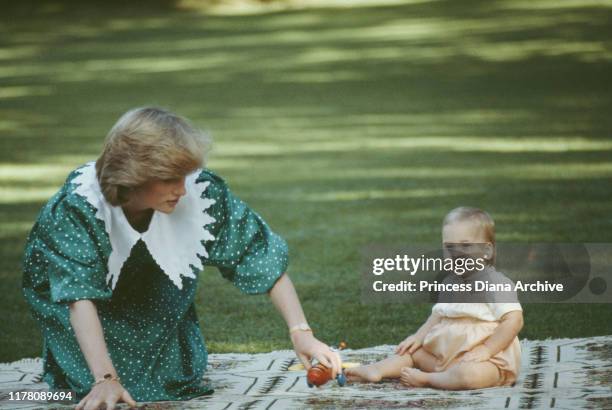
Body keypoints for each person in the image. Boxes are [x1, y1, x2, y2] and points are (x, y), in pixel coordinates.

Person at [22, 107, 342, 410]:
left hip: (154, 291)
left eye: (184, 176)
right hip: (74, 304)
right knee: (101, 388)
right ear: (133, 177)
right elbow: (78, 295)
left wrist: (302, 334)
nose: (183, 190)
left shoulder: (200, 193)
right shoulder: (78, 209)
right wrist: (105, 378)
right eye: (169, 179)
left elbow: (259, 255)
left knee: (173, 381)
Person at [346, 207, 523, 390]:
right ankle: (377, 370)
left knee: (469, 376)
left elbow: (513, 320)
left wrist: (487, 349)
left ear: (487, 251)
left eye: (466, 245)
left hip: (483, 360)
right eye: (449, 246)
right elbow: (437, 316)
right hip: (444, 358)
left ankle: (428, 380)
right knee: (412, 353)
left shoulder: (496, 283)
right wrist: (418, 336)